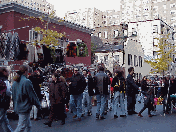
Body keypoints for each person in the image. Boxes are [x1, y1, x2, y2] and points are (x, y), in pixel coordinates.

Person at [12, 65, 41, 132]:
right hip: (24, 107)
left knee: (27, 126)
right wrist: (38, 105)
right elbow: (32, 96)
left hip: (19, 106)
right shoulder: (26, 81)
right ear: (26, 71)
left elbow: (13, 95)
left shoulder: (15, 82)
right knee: (21, 127)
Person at [0, 67, 13, 132]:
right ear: (4, 72)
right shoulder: (5, 81)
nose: (8, 73)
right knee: (2, 118)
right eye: (7, 71)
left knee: (4, 120)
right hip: (3, 102)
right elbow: (8, 92)